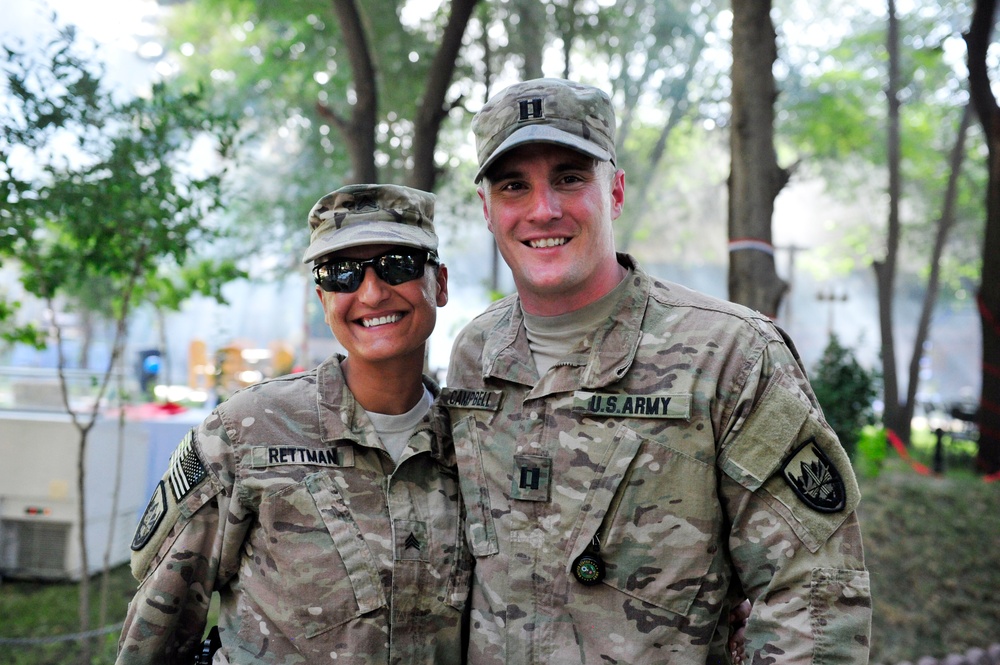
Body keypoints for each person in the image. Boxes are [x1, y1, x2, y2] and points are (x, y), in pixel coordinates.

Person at [443, 78, 871, 664]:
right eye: (514, 185)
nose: (543, 210)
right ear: (487, 210)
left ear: (615, 192)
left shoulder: (729, 354)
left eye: (570, 178)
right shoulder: (475, 354)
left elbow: (814, 590)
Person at [117, 184, 471, 664]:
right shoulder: (246, 432)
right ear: (324, 299)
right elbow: (156, 626)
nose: (371, 292)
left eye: (399, 265)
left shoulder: (476, 441)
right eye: (341, 273)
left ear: (440, 284)